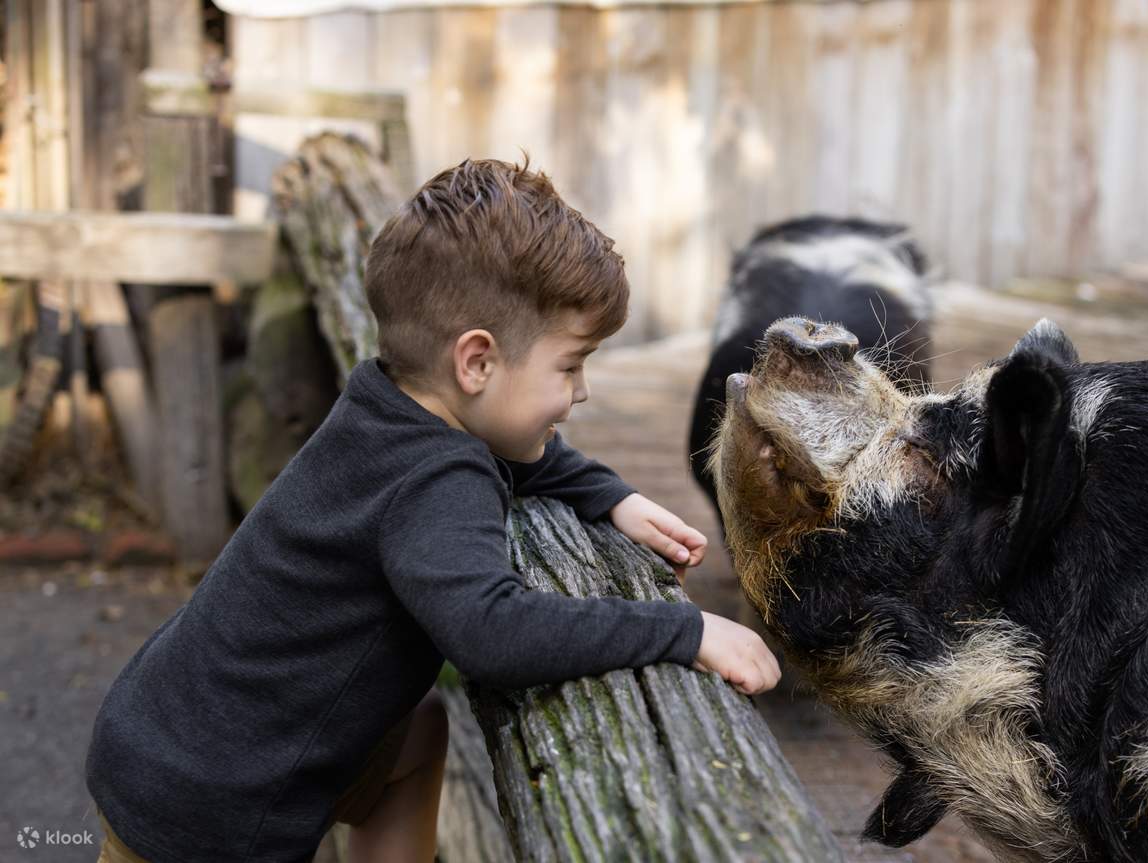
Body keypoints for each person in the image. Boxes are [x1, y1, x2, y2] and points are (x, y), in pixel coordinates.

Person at [85, 157, 781, 863]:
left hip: (165, 733)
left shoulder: (382, 401)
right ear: (475, 362)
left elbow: (520, 448)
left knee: (417, 732)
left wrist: (612, 497)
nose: (581, 391)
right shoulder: (439, 479)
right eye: (569, 365)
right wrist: (682, 628)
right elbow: (493, 631)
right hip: (215, 812)